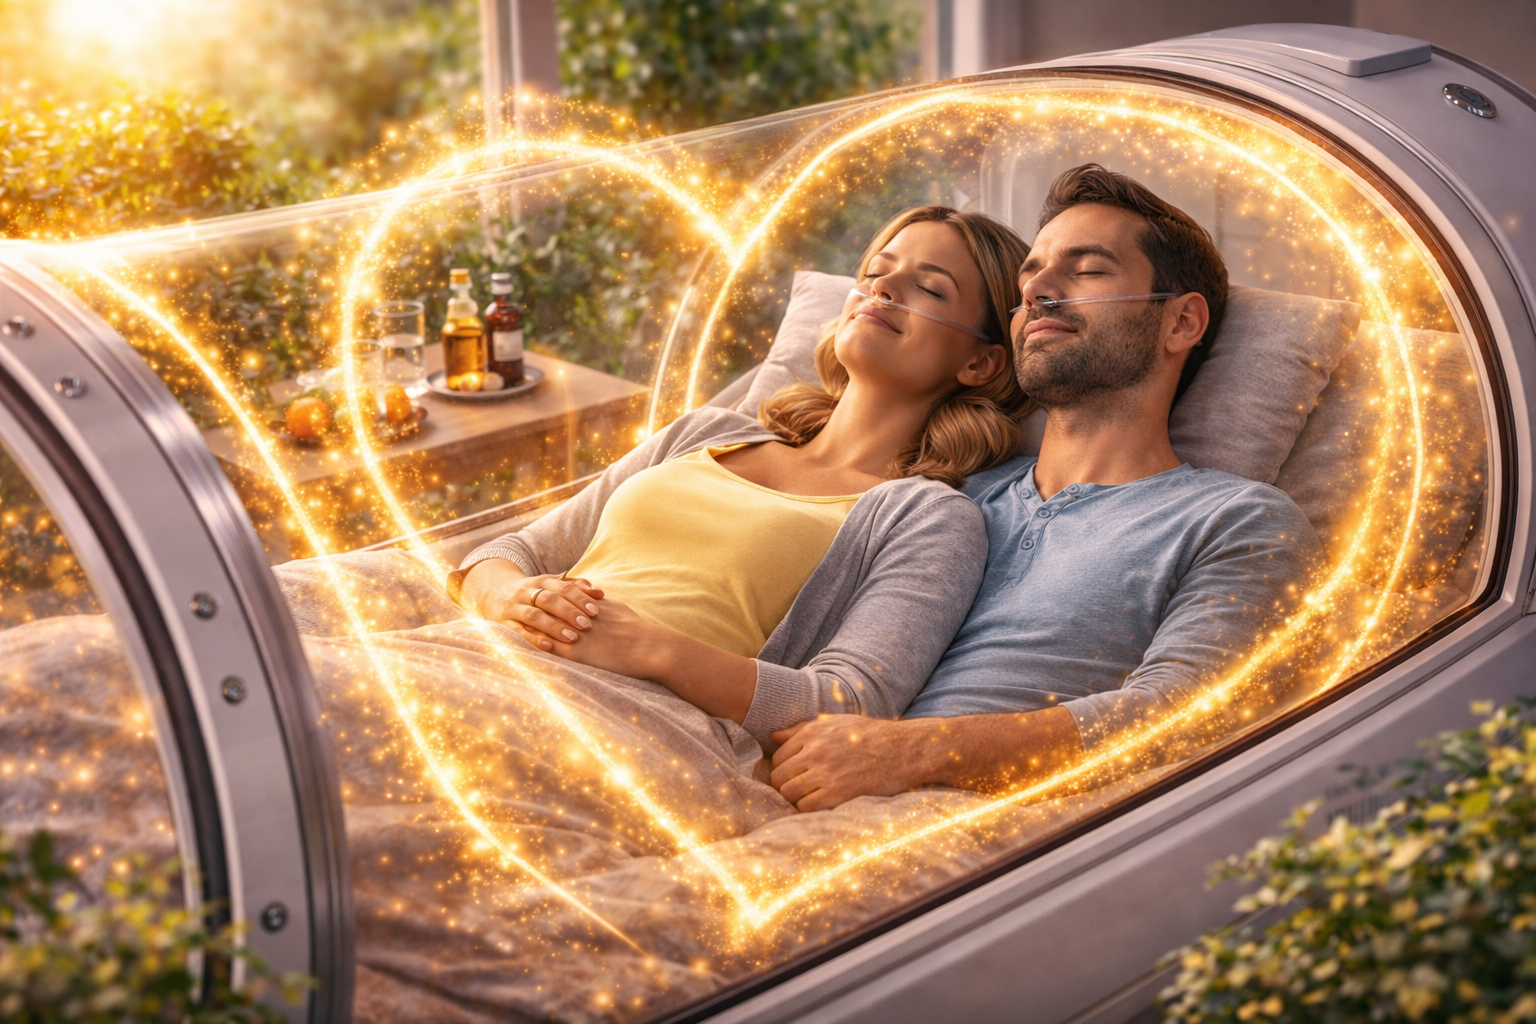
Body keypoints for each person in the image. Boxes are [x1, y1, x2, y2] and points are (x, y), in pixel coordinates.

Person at [768, 164, 1322, 810]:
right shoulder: (940, 492)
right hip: (779, 788)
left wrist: (914, 752)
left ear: (1180, 324)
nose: (1038, 292)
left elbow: (1184, 717)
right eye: (1031, 273)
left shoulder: (1237, 521)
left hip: (980, 838)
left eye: (1086, 271)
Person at [452, 205, 1034, 745]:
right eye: (876, 272)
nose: (883, 288)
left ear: (979, 362)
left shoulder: (929, 516)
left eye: (929, 288)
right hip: (485, 658)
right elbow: (508, 552)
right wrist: (514, 598)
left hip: (620, 721)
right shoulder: (704, 432)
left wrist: (651, 647)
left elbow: (852, 701)